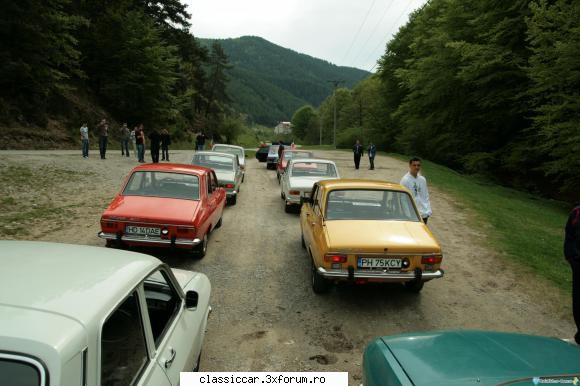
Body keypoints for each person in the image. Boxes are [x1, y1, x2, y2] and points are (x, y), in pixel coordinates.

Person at [564, 203, 580, 345]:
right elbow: (569, 234)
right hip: (577, 264)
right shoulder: (577, 212)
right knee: (578, 303)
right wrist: (570, 257)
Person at [400, 157, 432, 223]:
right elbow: (402, 199)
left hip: (423, 213)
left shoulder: (422, 180)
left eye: (418, 165)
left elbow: (426, 196)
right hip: (412, 214)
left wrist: (428, 209)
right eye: (414, 165)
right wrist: (407, 214)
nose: (416, 167)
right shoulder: (405, 180)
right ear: (410, 166)